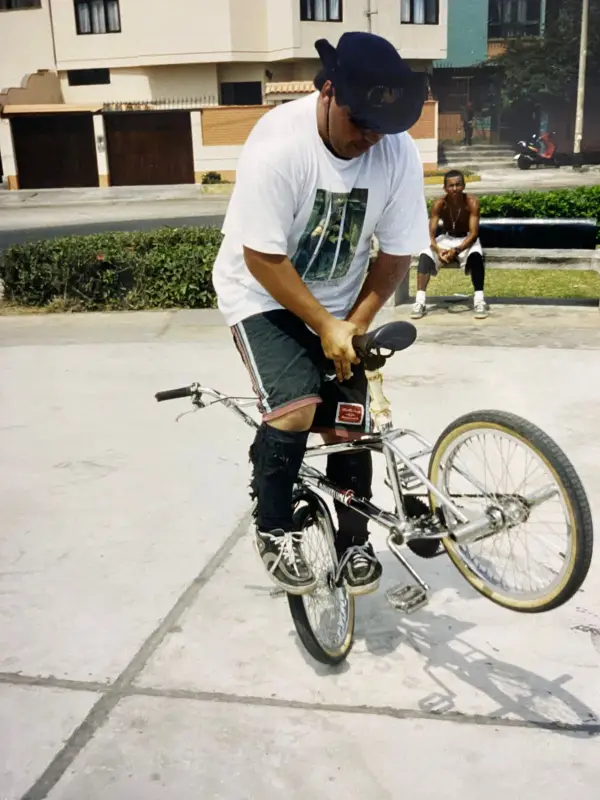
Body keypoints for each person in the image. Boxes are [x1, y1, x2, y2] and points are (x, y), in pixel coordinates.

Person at [212, 32, 430, 597]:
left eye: (383, 128)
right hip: (262, 292)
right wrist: (324, 324)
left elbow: (398, 250)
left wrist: (352, 321)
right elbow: (261, 255)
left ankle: (354, 540)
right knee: (296, 409)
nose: (371, 139)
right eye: (361, 124)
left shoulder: (394, 148)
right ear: (328, 92)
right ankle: (275, 527)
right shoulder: (279, 143)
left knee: (350, 423)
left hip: (339, 304)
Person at [411, 169, 487, 320]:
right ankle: (419, 302)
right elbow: (430, 235)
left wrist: (456, 250)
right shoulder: (439, 204)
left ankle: (479, 300)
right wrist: (438, 250)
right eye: (451, 186)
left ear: (463, 186)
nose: (454, 189)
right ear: (445, 188)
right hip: (445, 239)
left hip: (466, 239)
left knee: (476, 256)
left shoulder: (472, 202)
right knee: (425, 255)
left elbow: (473, 234)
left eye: (458, 185)